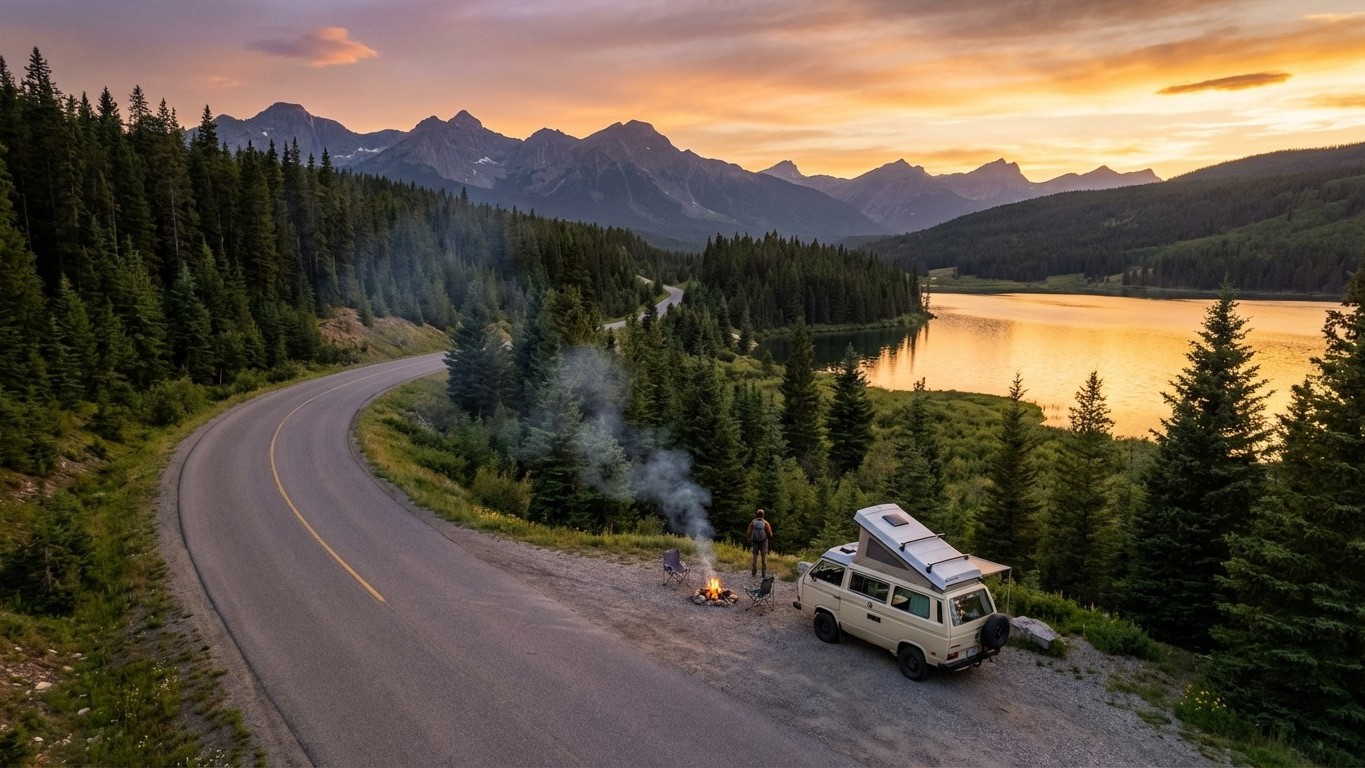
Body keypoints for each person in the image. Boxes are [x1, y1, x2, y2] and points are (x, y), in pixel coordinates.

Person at [748, 509, 773, 578]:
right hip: (763, 542)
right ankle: (763, 574)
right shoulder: (765, 523)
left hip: (755, 541)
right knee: (763, 558)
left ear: (757, 514)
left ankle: (753, 573)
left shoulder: (753, 522)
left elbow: (749, 531)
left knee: (754, 557)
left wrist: (749, 538)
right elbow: (770, 533)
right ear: (763, 515)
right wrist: (770, 535)